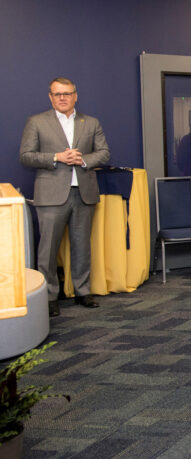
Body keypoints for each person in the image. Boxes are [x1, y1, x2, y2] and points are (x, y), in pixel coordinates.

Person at [19, 77, 109, 317]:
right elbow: (26, 156)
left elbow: (104, 153)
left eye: (67, 94)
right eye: (57, 94)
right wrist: (57, 157)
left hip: (84, 193)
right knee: (47, 250)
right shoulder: (36, 122)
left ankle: (82, 291)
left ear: (75, 96)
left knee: (82, 246)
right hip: (50, 195)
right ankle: (49, 296)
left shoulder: (90, 122)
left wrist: (84, 160)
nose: (62, 98)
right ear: (50, 96)